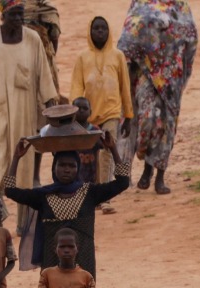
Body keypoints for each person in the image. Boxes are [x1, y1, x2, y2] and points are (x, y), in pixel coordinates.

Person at [3, 136, 130, 276]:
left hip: (84, 264)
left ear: (78, 168)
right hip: (52, 265)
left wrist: (113, 149)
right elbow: (10, 191)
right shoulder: (43, 195)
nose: (67, 170)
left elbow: (123, 182)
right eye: (62, 165)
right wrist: (16, 158)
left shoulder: (89, 192)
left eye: (72, 166)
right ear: (54, 167)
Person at [0, 0, 56, 197]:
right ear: (3, 16)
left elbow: (44, 76)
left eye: (21, 14)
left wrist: (51, 112)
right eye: (13, 14)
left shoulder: (33, 39)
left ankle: (24, 215)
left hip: (23, 113)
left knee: (23, 171)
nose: (18, 19)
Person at [117, 0, 196, 196]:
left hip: (172, 73)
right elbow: (128, 33)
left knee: (166, 126)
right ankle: (143, 165)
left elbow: (191, 36)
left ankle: (158, 175)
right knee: (146, 119)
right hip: (144, 71)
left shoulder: (180, 5)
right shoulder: (139, 3)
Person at [68, 15, 132, 188]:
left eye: (104, 28)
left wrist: (128, 116)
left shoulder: (118, 56)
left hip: (111, 112)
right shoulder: (82, 57)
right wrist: (74, 114)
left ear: (109, 31)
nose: (100, 31)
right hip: (87, 115)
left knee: (107, 151)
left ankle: (104, 191)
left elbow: (125, 87)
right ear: (90, 32)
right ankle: (89, 188)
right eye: (96, 28)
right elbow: (76, 86)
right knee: (88, 153)